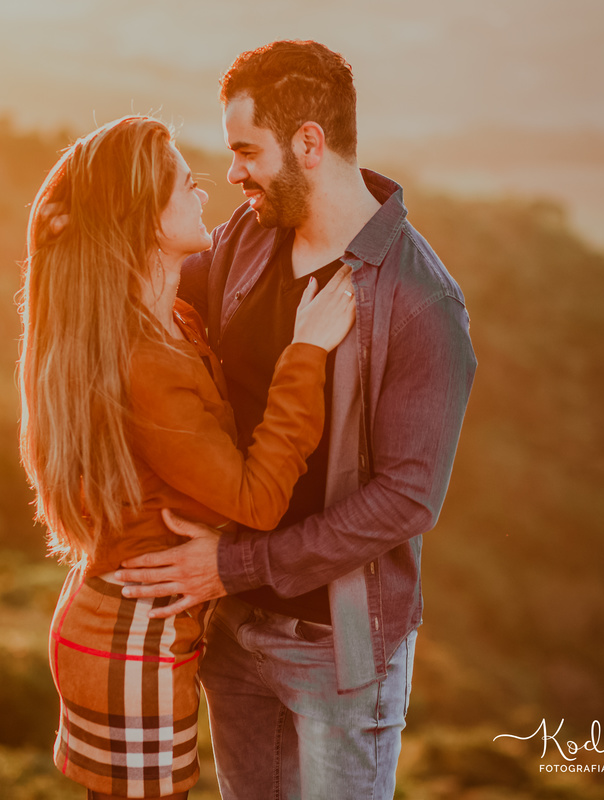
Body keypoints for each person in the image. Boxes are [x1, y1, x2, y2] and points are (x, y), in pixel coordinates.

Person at [112, 41, 478, 799]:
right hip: (228, 624)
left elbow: (406, 501)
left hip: (336, 650)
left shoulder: (421, 303)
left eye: (247, 151)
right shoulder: (247, 237)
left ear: (309, 143)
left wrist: (234, 564)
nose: (232, 173)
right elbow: (147, 301)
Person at [18, 115, 356, 799]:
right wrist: (307, 352)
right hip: (130, 643)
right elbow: (258, 498)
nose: (203, 193)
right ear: (146, 219)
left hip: (128, 623)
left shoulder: (171, 319)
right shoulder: (146, 360)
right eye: (184, 185)